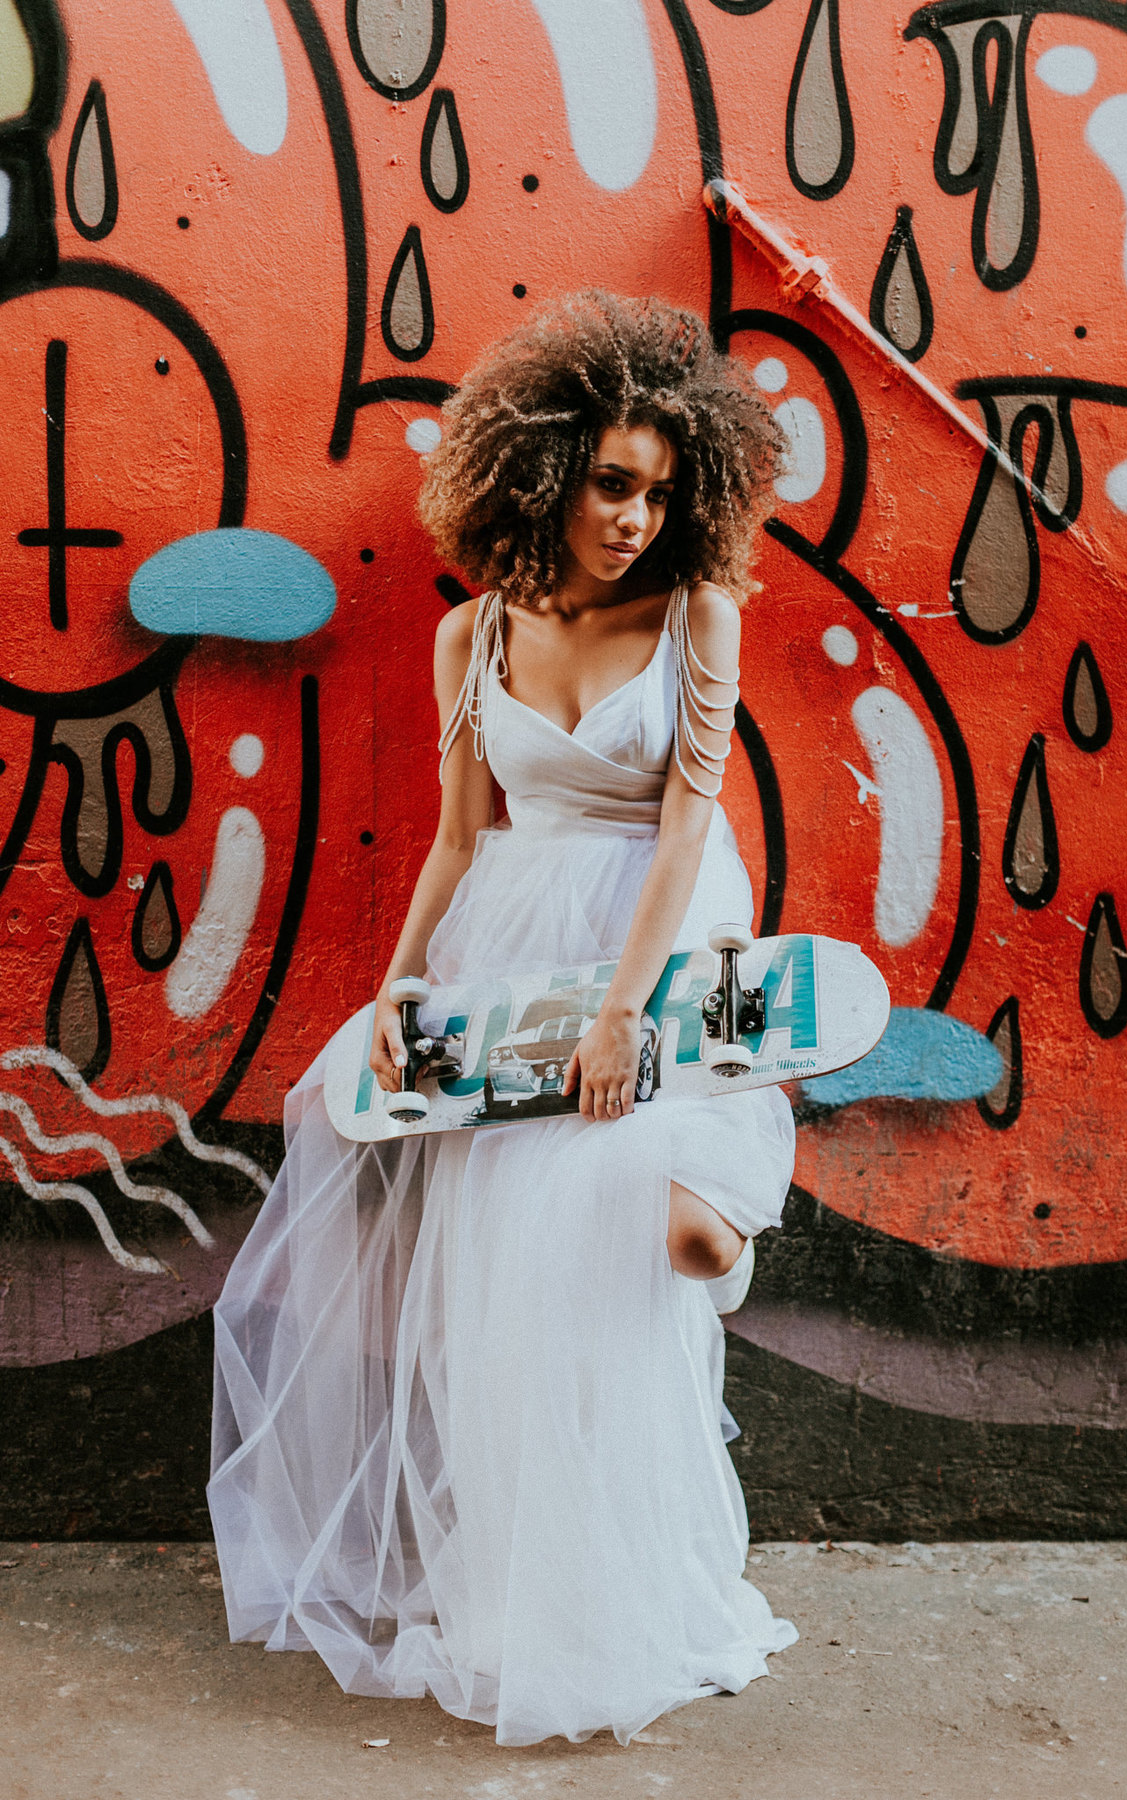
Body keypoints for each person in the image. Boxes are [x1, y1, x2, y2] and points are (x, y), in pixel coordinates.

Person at [208, 290, 799, 1747]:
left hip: (649, 952)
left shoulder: (697, 617)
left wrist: (623, 1015)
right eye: (611, 482)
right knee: (513, 1280)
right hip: (502, 957)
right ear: (542, 472)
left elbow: (680, 835)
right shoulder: (471, 638)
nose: (635, 518)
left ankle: (641, 1580)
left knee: (644, 1241)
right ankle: (538, 1605)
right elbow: (461, 839)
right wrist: (403, 993)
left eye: (662, 492)